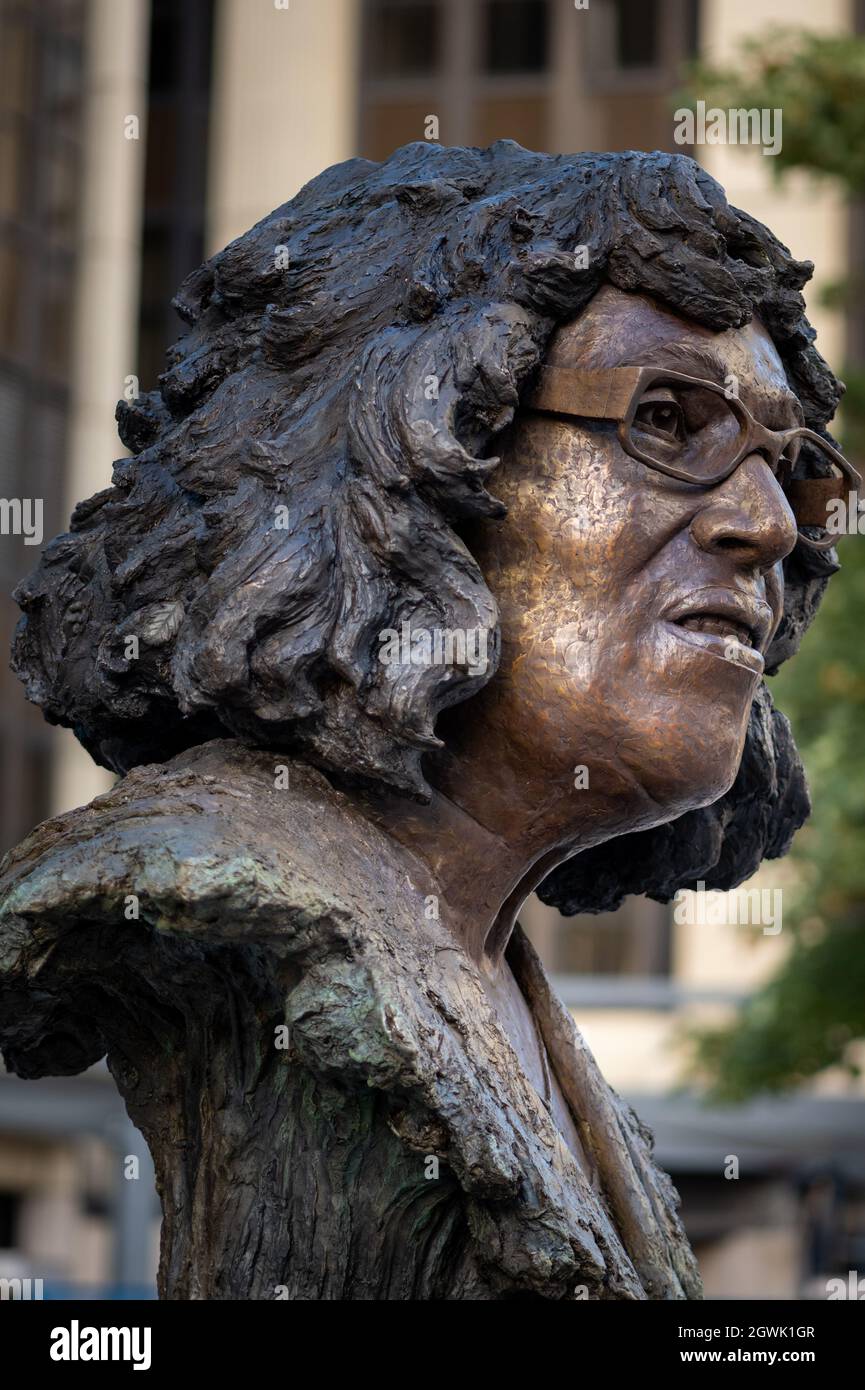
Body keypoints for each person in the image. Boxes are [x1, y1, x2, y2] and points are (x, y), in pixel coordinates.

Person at [0, 143, 853, 1300]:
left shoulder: (493, 960)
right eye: (666, 417)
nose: (767, 523)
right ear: (409, 458)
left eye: (790, 465)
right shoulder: (224, 893)